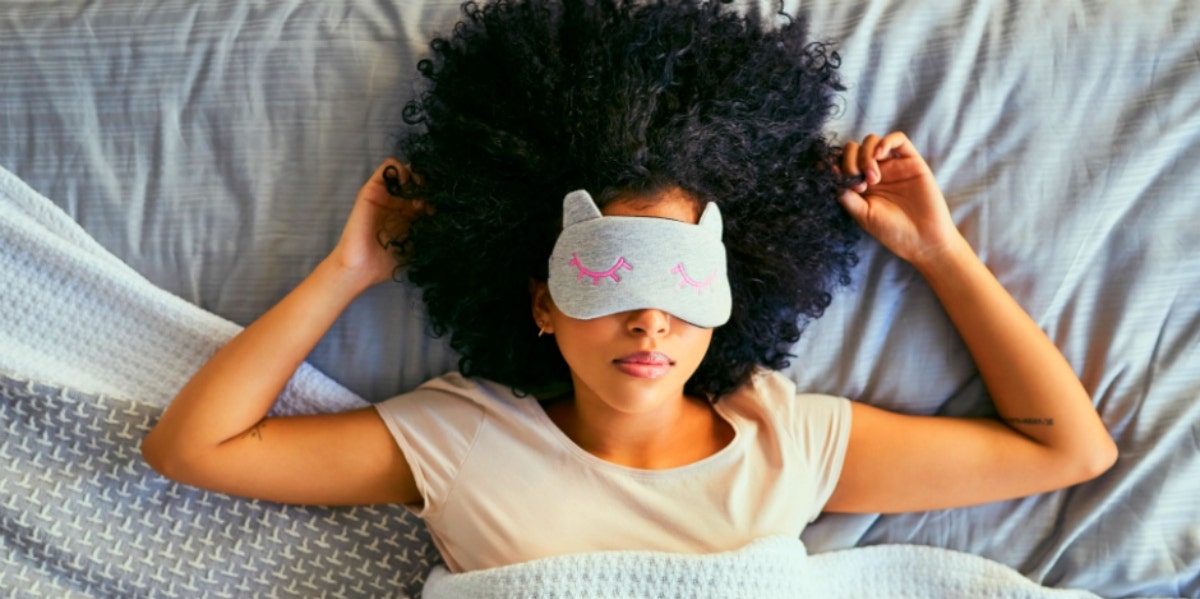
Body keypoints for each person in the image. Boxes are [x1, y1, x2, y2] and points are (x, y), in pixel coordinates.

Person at [141, 0, 1116, 575]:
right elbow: (193, 447)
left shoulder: (791, 440)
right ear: (539, 301)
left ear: (735, 291)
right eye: (608, 274)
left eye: (682, 279)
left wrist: (939, 251)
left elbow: (1069, 447)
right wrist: (350, 268)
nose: (650, 314)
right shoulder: (459, 439)